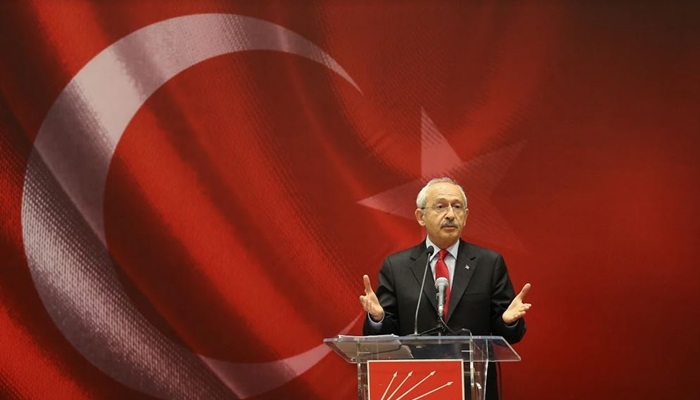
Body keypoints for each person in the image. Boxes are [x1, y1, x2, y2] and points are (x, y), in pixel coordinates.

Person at [359, 177, 531, 400]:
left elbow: (509, 335)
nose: (450, 214)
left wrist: (508, 321)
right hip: (413, 385)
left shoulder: (489, 264)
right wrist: (378, 318)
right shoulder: (396, 266)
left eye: (457, 207)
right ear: (421, 216)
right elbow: (383, 339)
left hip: (472, 386)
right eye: (440, 206)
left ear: (465, 216)